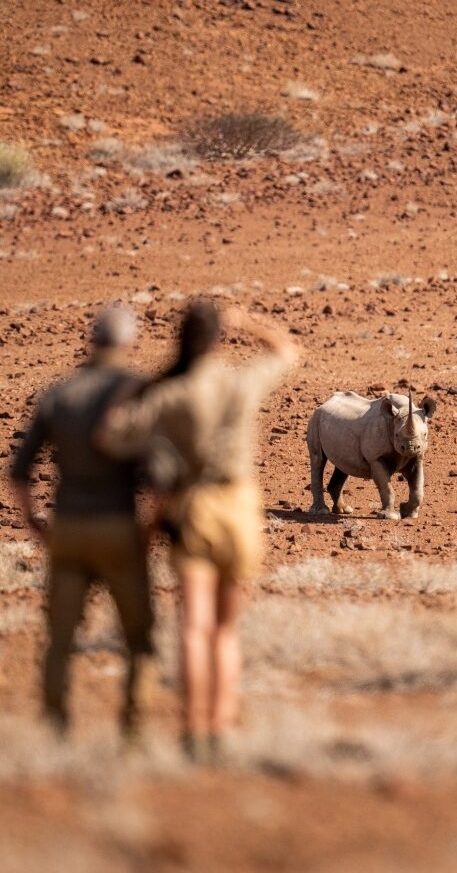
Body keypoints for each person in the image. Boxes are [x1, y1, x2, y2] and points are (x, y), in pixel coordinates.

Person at [98, 302, 298, 764]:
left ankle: (192, 730)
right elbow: (288, 351)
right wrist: (247, 323)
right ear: (217, 340)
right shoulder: (239, 381)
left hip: (194, 510)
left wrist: (139, 384)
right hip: (242, 509)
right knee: (226, 632)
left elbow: (109, 436)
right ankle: (220, 730)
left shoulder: (172, 394)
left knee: (194, 626)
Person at [11, 306, 154, 742]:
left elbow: (18, 472)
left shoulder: (58, 393)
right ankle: (132, 734)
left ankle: (57, 729)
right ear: (128, 342)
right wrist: (149, 528)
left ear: (91, 341)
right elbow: (162, 476)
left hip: (67, 529)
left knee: (59, 638)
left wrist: (35, 523)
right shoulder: (136, 392)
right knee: (138, 638)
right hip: (118, 529)